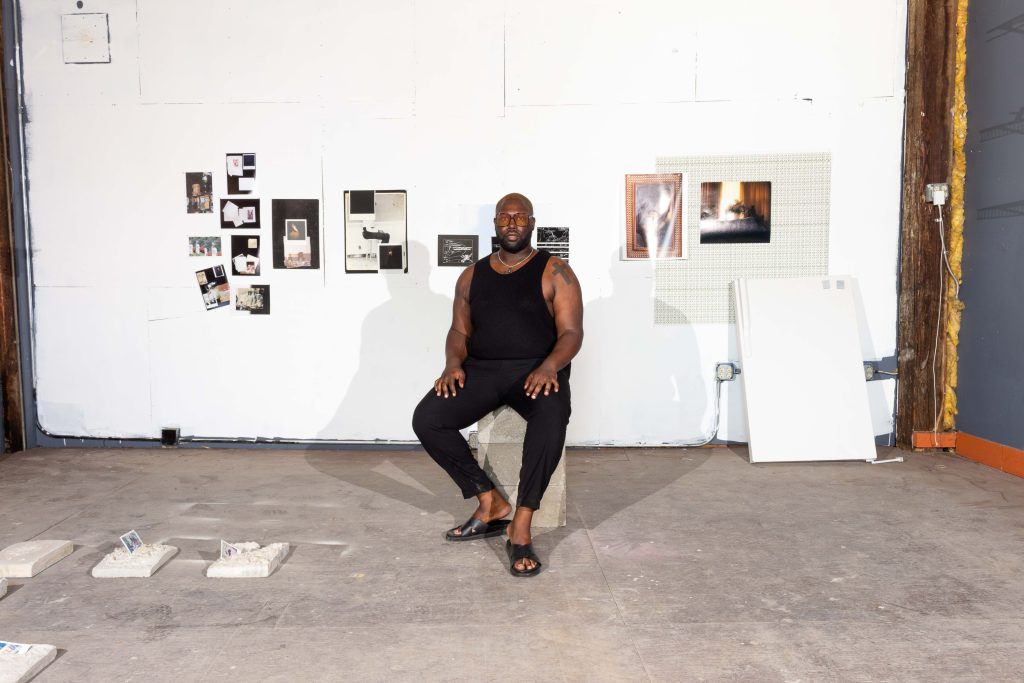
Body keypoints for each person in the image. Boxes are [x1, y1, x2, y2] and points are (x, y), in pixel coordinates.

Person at [412, 192, 583, 577]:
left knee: (552, 415)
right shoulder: (472, 274)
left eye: (519, 217)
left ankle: (521, 525)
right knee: (428, 418)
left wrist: (550, 367)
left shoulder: (556, 271)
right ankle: (489, 502)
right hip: (482, 370)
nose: (511, 223)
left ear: (532, 223)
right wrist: (453, 364)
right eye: (504, 217)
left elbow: (572, 333)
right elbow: (458, 330)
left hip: (535, 370)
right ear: (494, 224)